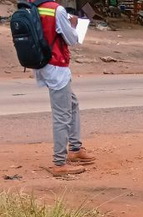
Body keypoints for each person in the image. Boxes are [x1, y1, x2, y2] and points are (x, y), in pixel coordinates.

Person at [34, 2, 95, 177]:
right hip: (56, 65)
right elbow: (72, 39)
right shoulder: (56, 10)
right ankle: (59, 163)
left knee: (72, 103)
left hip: (41, 63)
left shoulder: (31, 6)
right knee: (62, 115)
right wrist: (73, 25)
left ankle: (75, 147)